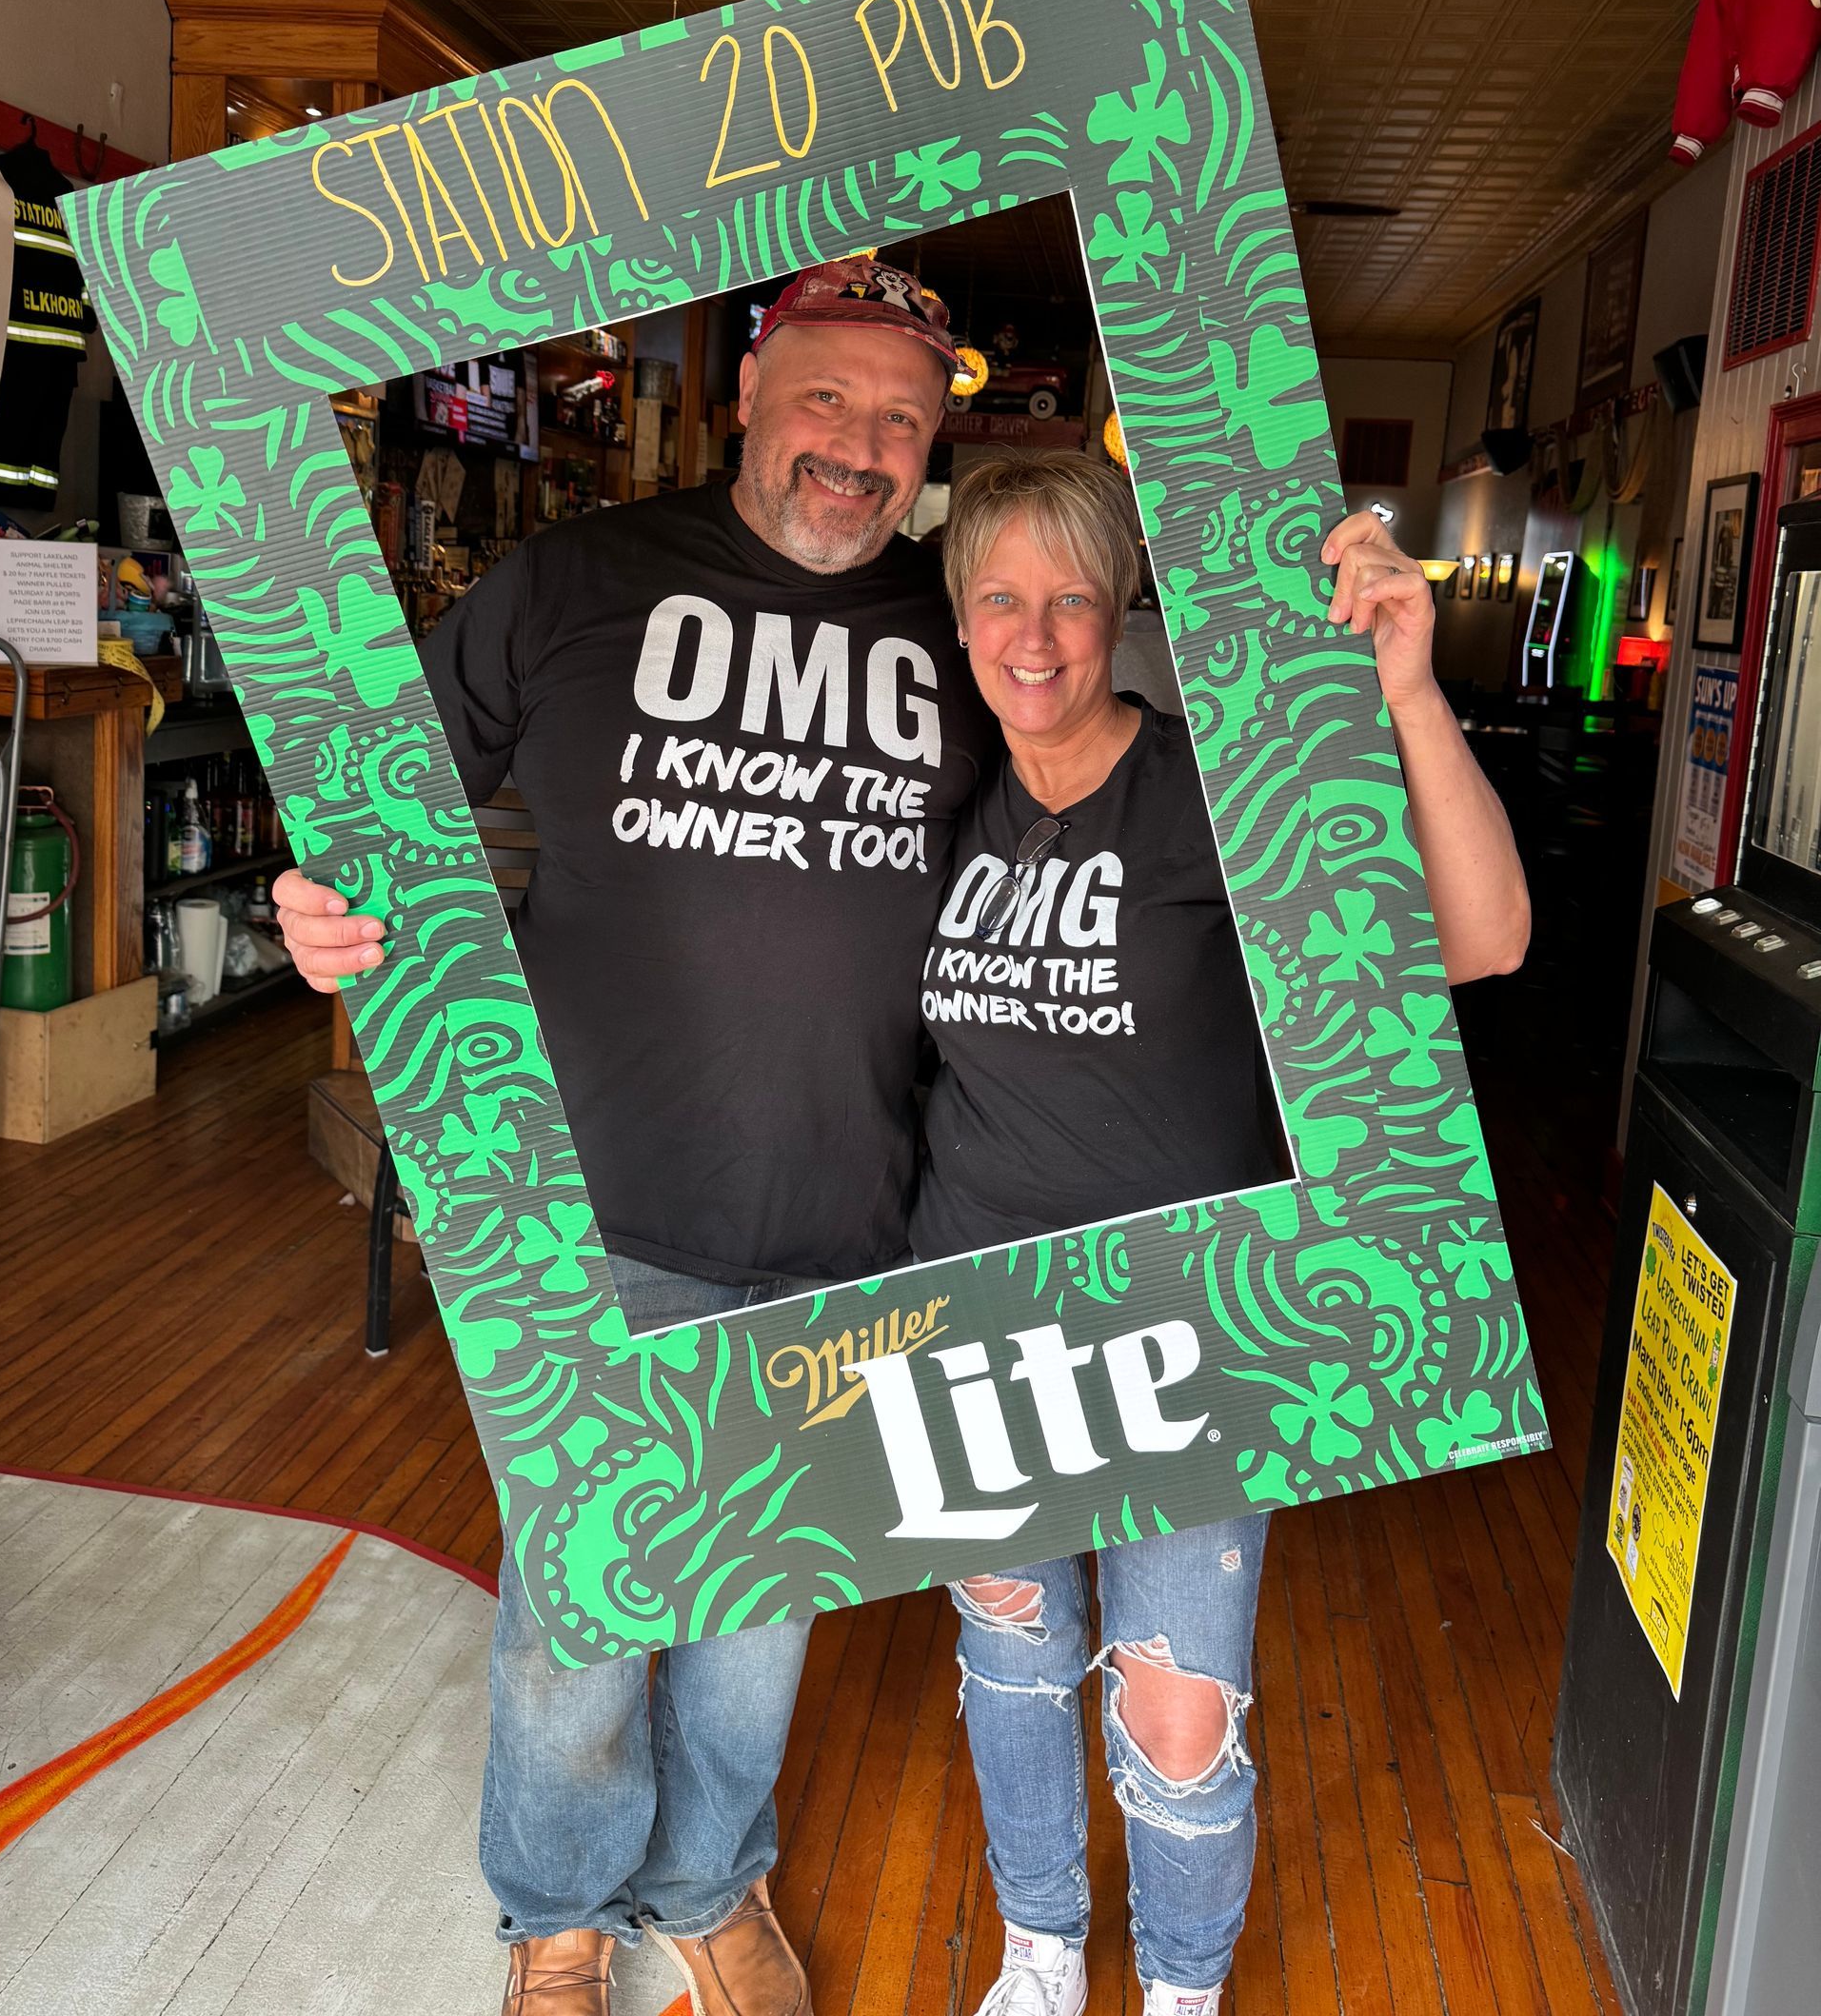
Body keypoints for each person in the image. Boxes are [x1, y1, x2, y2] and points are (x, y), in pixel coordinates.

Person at [272, 256, 993, 2016]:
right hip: (579, 1201)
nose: (863, 447)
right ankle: (561, 1913)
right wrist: (318, 892)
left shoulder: (965, 628)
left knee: (762, 1610)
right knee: (582, 1612)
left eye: (903, 420)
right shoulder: (579, 576)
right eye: (829, 398)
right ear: (749, 395)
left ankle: (707, 1880)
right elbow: (380, 778)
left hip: (855, 1210)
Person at [918, 453, 1529, 2016]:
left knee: (1179, 1715)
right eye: (1001, 596)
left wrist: (1410, 694)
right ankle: (1044, 1949)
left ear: (1124, 606)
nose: (1036, 635)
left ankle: (1181, 1989)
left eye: (1071, 595)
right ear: (958, 614)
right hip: (974, 1314)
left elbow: (1480, 939)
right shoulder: (941, 805)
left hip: (1189, 1331)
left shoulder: (1214, 788)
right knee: (1010, 1655)